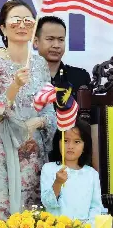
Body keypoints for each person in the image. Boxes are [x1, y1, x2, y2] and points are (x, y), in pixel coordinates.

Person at [0, 0, 57, 227]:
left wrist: (38, 121)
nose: (22, 25)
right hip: (2, 152)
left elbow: (49, 107)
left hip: (33, 153)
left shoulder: (39, 64)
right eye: (15, 20)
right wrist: (14, 86)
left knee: (35, 218)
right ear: (2, 27)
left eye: (28, 21)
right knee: (2, 217)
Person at [34, 16, 99, 172]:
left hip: (72, 159)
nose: (56, 45)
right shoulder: (25, 77)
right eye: (50, 39)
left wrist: (96, 170)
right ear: (36, 42)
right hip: (33, 157)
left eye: (61, 40)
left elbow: (93, 126)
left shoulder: (80, 76)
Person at [41, 119, 103, 226]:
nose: (70, 146)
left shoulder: (91, 174)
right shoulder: (49, 169)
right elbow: (47, 203)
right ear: (58, 142)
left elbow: (96, 207)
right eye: (65, 140)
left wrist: (88, 225)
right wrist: (58, 182)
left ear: (85, 146)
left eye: (77, 141)